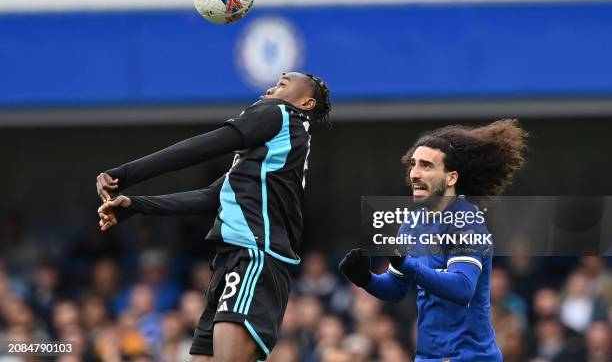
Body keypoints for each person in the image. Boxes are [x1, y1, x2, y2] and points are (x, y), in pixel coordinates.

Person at [95, 72, 331, 361]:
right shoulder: (268, 156)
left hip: (255, 256)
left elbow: (205, 145)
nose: (271, 88)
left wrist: (124, 175)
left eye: (283, 85)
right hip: (231, 259)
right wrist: (134, 205)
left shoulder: (281, 114)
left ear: (305, 103)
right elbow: (209, 197)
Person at [339, 119, 527, 361]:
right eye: (413, 165)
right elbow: (397, 288)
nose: (415, 174)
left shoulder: (465, 221)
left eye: (426, 166)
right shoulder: (411, 224)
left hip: (468, 357)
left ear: (451, 178)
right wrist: (365, 279)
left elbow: (462, 288)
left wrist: (406, 263)